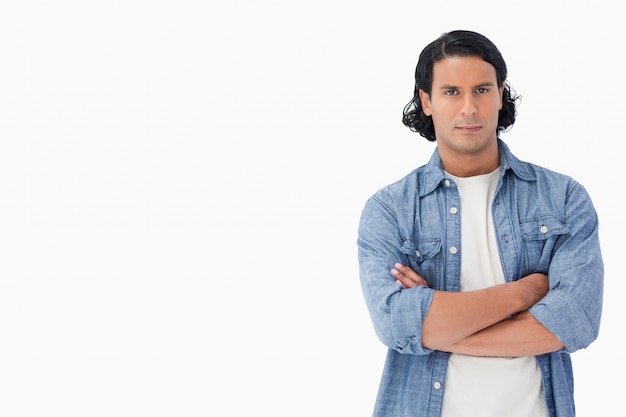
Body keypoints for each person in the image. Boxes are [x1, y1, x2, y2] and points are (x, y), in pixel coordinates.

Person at [357, 30, 603, 417]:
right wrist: (526, 292)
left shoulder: (563, 198)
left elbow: (576, 321)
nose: (469, 108)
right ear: (426, 100)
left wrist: (436, 327)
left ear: (501, 94)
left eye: (482, 90)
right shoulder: (390, 210)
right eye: (452, 92)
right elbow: (394, 324)